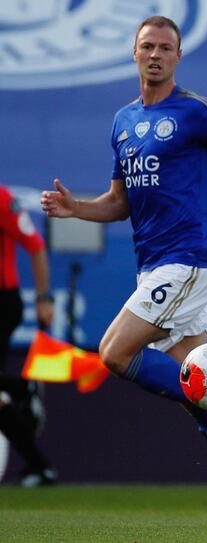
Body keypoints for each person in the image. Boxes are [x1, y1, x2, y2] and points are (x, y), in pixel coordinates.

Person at [39, 16, 207, 526]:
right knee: (195, 389)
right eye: (147, 46)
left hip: (187, 261)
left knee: (115, 353)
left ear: (178, 56)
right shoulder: (122, 122)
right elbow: (119, 203)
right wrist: (78, 209)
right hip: (154, 267)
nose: (156, 53)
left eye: (165, 47)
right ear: (134, 53)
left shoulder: (197, 113)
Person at [0, 183, 57, 486]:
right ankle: (22, 389)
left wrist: (43, 297)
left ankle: (41, 466)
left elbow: (34, 245)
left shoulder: (1, 198)